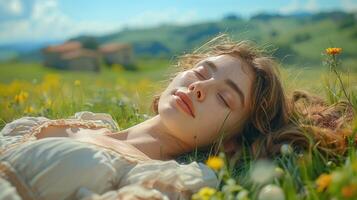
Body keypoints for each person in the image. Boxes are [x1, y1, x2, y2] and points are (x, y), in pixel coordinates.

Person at [0, 34, 354, 200]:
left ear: (230, 140)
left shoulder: (166, 179)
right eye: (201, 73)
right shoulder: (85, 122)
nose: (200, 88)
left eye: (225, 96)